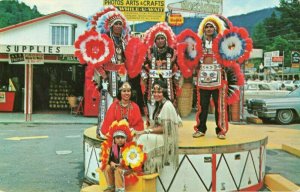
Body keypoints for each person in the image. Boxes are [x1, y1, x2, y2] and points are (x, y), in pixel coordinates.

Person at [193, 16, 228, 140]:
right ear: (203, 29)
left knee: (219, 106)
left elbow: (227, 59)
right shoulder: (199, 43)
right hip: (203, 79)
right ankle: (201, 129)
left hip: (218, 78)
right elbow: (194, 60)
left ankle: (221, 130)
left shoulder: (221, 43)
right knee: (202, 106)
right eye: (206, 26)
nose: (208, 29)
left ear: (215, 29)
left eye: (211, 26)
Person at [136, 79, 182, 174]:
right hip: (162, 135)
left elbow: (165, 129)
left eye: (159, 92)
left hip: (168, 138)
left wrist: (146, 131)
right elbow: (156, 125)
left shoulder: (167, 105)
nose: (156, 94)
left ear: (164, 92)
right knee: (138, 136)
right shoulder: (160, 104)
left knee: (143, 138)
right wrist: (145, 130)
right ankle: (139, 165)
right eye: (154, 92)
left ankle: (145, 167)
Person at [142, 22, 183, 124]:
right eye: (158, 39)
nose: (160, 41)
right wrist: (144, 76)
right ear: (155, 40)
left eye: (162, 38)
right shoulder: (149, 52)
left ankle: (169, 124)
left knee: (169, 101)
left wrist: (176, 77)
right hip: (152, 82)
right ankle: (152, 122)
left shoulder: (172, 52)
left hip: (168, 83)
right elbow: (142, 66)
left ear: (166, 40)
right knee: (151, 101)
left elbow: (178, 67)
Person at [101, 120, 134, 192]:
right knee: (107, 168)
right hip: (117, 166)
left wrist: (119, 165)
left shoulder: (129, 148)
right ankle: (111, 187)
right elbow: (110, 159)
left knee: (118, 170)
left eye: (122, 138)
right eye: (118, 138)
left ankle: (120, 189)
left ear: (125, 139)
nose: (120, 140)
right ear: (114, 139)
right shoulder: (114, 147)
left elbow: (131, 164)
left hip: (127, 168)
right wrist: (111, 163)